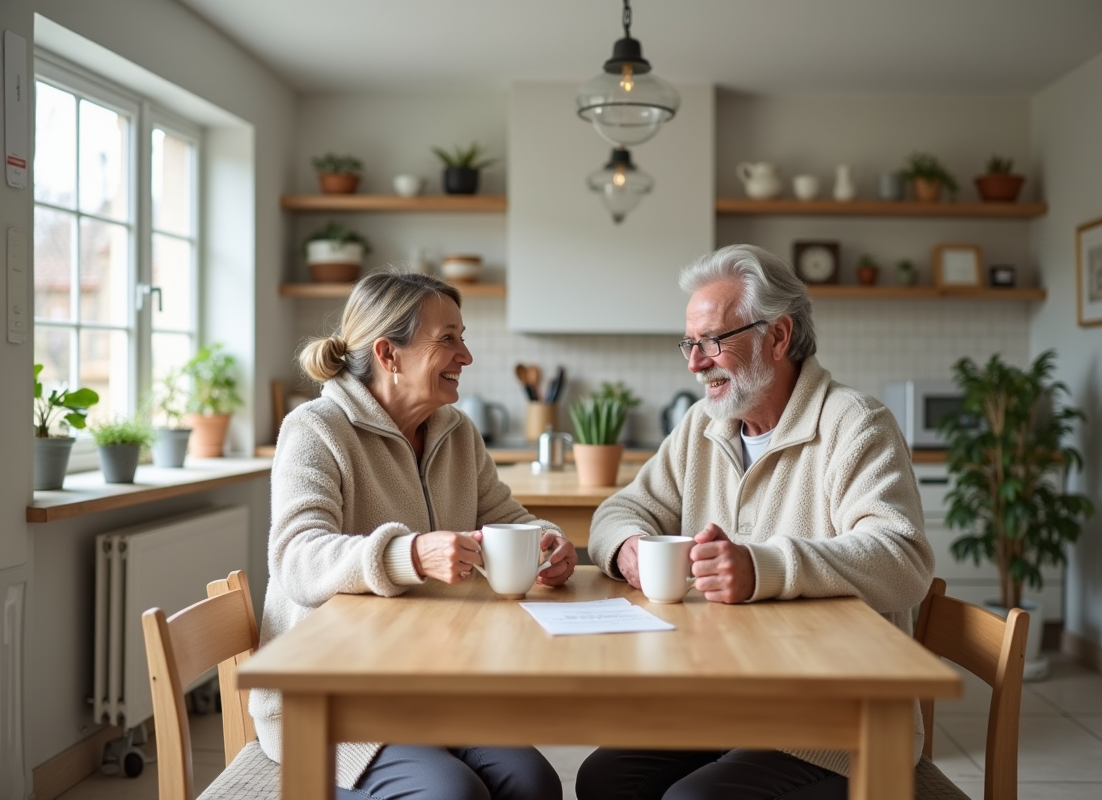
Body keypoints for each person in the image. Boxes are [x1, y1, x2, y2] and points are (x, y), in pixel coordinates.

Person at [578, 244, 934, 800]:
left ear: (778, 336)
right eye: (690, 345)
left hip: (832, 721)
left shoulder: (856, 424)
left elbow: (902, 558)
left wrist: (762, 567)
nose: (696, 363)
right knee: (603, 778)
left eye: (714, 342)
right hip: (724, 699)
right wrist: (628, 547)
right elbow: (620, 511)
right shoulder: (703, 425)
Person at [250, 269, 575, 800]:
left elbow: (508, 517)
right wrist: (409, 555)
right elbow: (297, 558)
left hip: (428, 684)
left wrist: (548, 541)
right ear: (388, 354)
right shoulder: (315, 429)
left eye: (462, 338)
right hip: (329, 699)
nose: (465, 356)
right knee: (452, 794)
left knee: (534, 782)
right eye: (448, 340)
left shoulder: (457, 432)